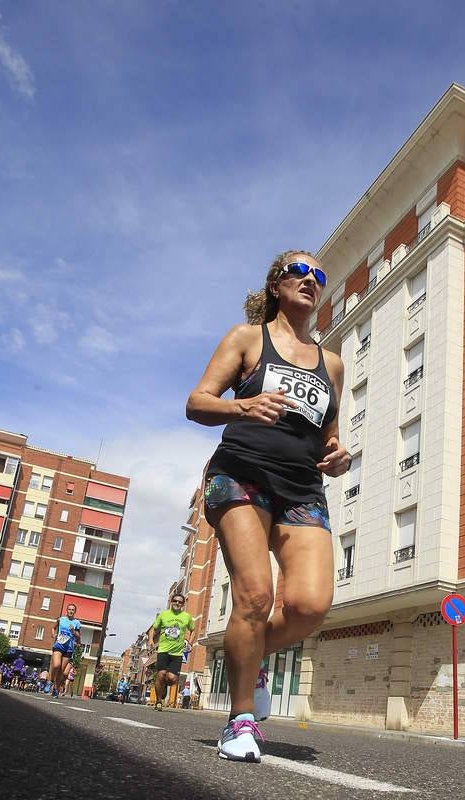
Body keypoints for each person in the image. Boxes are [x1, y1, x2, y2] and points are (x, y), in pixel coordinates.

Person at [186, 250, 350, 762]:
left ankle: (251, 656)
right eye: (299, 271)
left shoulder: (333, 363)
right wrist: (243, 405)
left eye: (318, 275)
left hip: (301, 489)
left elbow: (328, 436)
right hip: (241, 474)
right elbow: (197, 402)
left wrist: (337, 454)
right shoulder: (246, 338)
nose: (310, 280)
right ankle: (239, 721)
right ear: (276, 284)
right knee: (256, 596)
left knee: (309, 606)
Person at [151, 595, 195, 711]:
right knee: (161, 674)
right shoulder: (163, 615)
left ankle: (164, 684)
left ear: (183, 604)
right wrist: (151, 641)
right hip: (163, 650)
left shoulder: (186, 617)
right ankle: (159, 701)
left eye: (180, 602)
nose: (177, 603)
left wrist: (190, 643)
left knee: (172, 679)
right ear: (171, 602)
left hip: (177, 653)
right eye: (175, 601)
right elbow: (154, 629)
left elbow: (193, 630)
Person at [50, 604, 81, 698]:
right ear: (66, 610)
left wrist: (74, 631)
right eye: (69, 609)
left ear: (75, 612)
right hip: (59, 645)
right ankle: (51, 680)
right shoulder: (61, 619)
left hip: (69, 648)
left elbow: (78, 636)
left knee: (61, 671)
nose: (71, 611)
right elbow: (53, 627)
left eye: (73, 610)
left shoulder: (76, 623)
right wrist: (53, 635)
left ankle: (56, 688)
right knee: (56, 665)